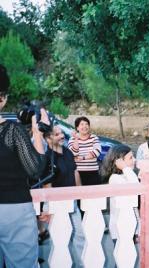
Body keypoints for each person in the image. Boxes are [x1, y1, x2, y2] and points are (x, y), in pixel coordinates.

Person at [0, 64, 47, 267]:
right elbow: (35, 169)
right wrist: (38, 133)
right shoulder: (11, 131)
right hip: (14, 210)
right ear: (2, 98)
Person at [41, 125, 85, 266]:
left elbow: (75, 172)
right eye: (57, 134)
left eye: (61, 133)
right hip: (57, 205)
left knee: (80, 236)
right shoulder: (47, 158)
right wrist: (50, 208)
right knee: (60, 241)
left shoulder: (67, 152)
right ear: (48, 138)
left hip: (72, 202)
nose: (61, 136)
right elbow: (46, 185)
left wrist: (81, 193)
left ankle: (82, 264)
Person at [100, 144, 140, 243]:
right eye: (131, 157)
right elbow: (136, 188)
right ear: (119, 162)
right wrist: (125, 168)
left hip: (130, 225)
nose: (134, 160)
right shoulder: (115, 178)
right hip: (121, 228)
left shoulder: (126, 175)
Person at [68, 116, 102, 185]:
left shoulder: (94, 138)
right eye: (82, 124)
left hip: (93, 171)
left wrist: (83, 157)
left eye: (87, 124)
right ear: (77, 128)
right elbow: (73, 153)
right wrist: (76, 139)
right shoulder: (72, 139)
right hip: (77, 172)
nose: (85, 126)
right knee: (79, 194)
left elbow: (97, 151)